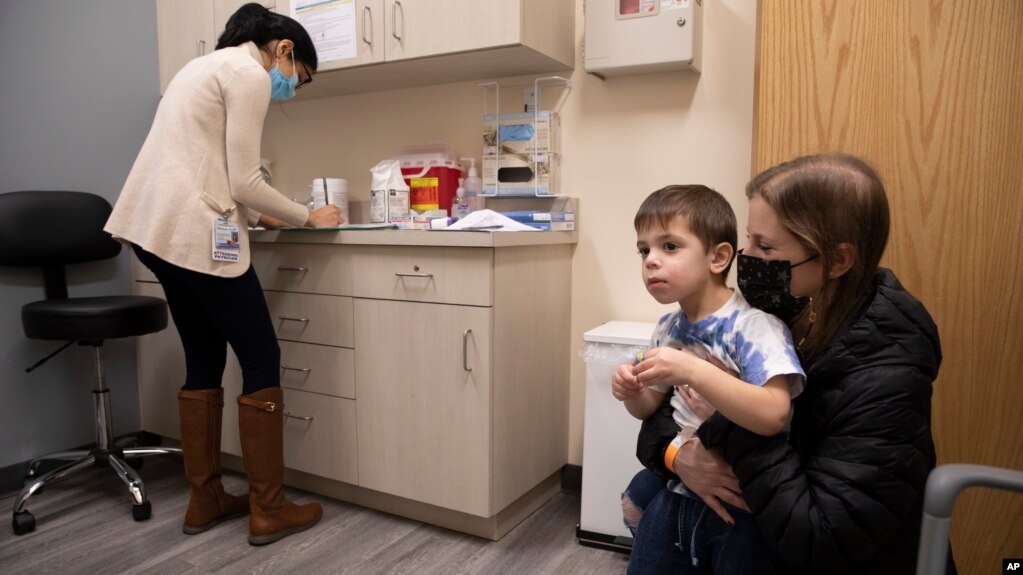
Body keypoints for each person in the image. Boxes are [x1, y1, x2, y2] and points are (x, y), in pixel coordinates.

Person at [634, 154, 944, 573]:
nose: (745, 256)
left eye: (765, 246)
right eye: (749, 239)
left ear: (837, 261)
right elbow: (669, 409)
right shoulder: (782, 307)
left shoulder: (887, 373)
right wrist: (676, 455)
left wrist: (723, 418)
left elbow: (822, 536)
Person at [105, 3, 341, 545]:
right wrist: (309, 215)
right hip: (194, 236)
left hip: (156, 233)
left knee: (204, 354)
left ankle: (205, 499)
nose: (291, 90)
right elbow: (243, 180)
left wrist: (257, 212)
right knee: (262, 355)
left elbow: (205, 165)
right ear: (284, 50)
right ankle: (269, 508)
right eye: (298, 79)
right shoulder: (248, 73)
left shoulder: (201, 68)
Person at [612, 185, 805, 573]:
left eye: (669, 246)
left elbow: (775, 414)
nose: (651, 261)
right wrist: (631, 390)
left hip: (741, 507)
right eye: (644, 250)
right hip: (680, 489)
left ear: (718, 257)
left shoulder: (753, 327)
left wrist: (691, 370)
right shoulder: (668, 326)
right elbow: (648, 408)